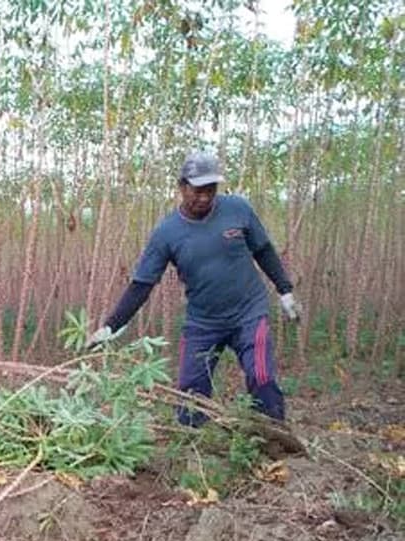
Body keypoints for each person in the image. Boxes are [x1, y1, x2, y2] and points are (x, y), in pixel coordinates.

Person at [86, 151, 299, 425]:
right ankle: (193, 450)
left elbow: (264, 250)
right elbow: (142, 284)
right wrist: (111, 327)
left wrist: (285, 290)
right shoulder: (167, 232)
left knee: (262, 377)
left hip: (249, 312)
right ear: (182, 186)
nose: (204, 198)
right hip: (203, 322)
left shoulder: (238, 209)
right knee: (190, 395)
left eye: (210, 190)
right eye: (197, 191)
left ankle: (274, 439)